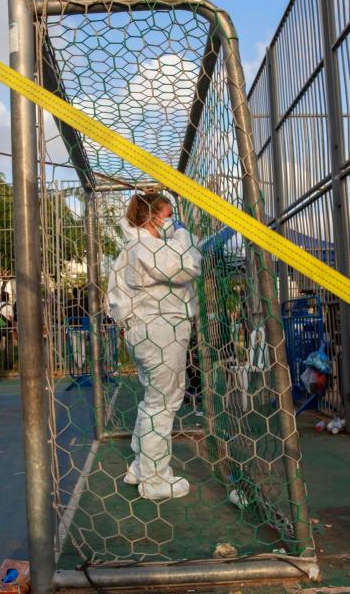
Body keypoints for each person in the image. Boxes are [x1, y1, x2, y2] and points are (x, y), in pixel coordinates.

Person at [106, 193, 202, 500]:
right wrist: (183, 233)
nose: (171, 221)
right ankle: (156, 480)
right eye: (168, 215)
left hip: (146, 330)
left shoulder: (132, 247)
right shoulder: (146, 246)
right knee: (164, 403)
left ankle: (140, 466)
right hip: (161, 328)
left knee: (153, 400)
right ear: (152, 218)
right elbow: (188, 267)